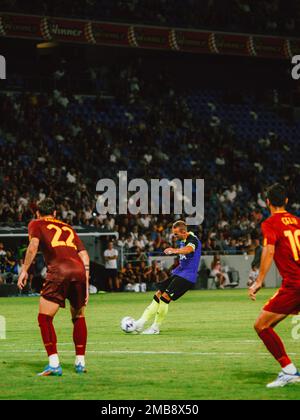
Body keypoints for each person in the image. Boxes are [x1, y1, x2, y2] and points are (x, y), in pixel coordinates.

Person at [17, 198, 90, 377]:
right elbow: (84, 255)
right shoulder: (68, 227)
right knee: (79, 316)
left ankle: (54, 364)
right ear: (55, 213)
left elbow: (33, 246)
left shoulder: (36, 223)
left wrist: (24, 270)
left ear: (37, 213)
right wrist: (86, 283)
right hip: (79, 270)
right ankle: (80, 363)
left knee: (44, 318)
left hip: (59, 270)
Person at [249, 183, 300, 388]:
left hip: (295, 284)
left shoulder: (270, 224)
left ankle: (289, 371)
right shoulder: (297, 221)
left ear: (267, 202)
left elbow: (269, 251)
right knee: (269, 324)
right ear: (286, 201)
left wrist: (259, 281)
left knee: (261, 325)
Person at [134, 220, 201, 335]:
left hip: (187, 277)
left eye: (176, 234)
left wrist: (174, 250)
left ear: (184, 232)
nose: (174, 236)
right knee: (158, 294)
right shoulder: (183, 239)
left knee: (165, 297)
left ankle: (155, 328)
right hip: (179, 273)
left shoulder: (192, 239)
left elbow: (189, 249)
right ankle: (140, 323)